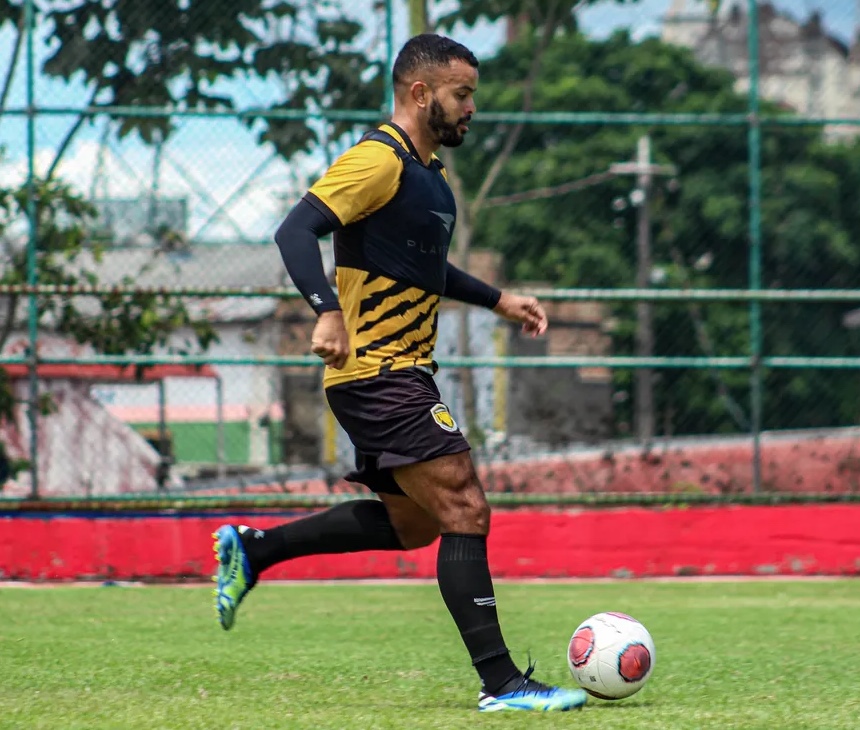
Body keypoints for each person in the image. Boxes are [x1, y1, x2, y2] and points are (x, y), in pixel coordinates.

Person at [212, 33, 588, 713]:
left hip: (399, 373)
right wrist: (326, 311)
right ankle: (502, 683)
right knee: (466, 504)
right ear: (421, 93)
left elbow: (424, 267)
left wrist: (498, 299)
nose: (471, 107)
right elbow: (296, 231)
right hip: (378, 371)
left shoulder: (429, 175)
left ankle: (253, 550)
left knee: (416, 525)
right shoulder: (376, 161)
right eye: (461, 94)